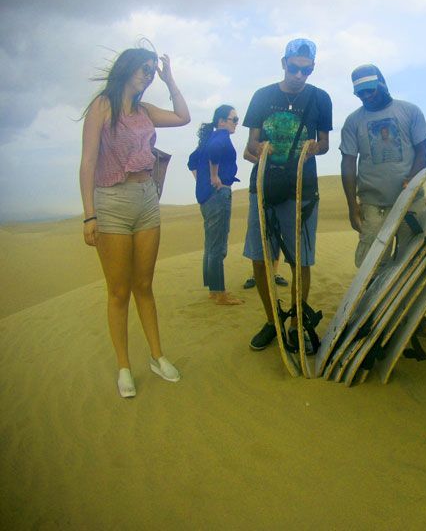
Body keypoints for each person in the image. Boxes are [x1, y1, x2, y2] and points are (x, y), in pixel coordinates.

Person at [79, 46, 190, 398]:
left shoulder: (146, 111)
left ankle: (157, 356)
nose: (146, 74)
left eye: (150, 70)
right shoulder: (102, 106)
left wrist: (170, 79)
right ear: (126, 68)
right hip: (110, 201)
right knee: (118, 290)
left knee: (144, 284)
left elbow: (183, 117)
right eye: (143, 68)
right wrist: (89, 214)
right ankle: (124, 366)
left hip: (146, 200)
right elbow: (87, 162)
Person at [243, 38, 332, 353]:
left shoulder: (320, 99)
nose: (298, 75)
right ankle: (272, 321)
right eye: (294, 68)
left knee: (301, 260)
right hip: (263, 187)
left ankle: (296, 325)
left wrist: (313, 149)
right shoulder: (262, 96)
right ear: (284, 63)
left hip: (303, 189)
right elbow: (250, 145)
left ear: (312, 69)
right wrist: (262, 151)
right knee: (260, 257)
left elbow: (324, 144)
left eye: (305, 70)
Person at [340, 64, 426, 268]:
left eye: (370, 90)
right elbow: (347, 163)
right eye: (360, 93)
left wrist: (412, 180)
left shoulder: (410, 111)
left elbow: (423, 150)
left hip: (410, 201)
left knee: (412, 260)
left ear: (382, 83)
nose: (366, 97)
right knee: (371, 265)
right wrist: (352, 206)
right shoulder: (353, 121)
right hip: (373, 205)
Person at [187, 104, 244, 306]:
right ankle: (219, 293)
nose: (236, 123)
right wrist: (213, 177)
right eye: (234, 119)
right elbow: (214, 151)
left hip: (206, 196)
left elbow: (191, 161)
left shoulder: (208, 138)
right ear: (221, 121)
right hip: (218, 195)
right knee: (218, 246)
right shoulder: (220, 137)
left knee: (210, 244)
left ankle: (213, 289)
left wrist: (202, 179)